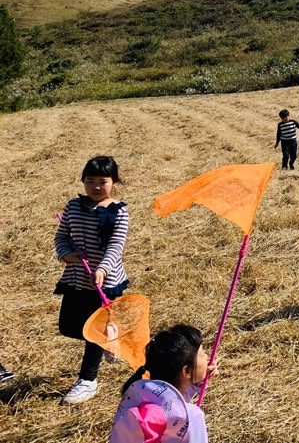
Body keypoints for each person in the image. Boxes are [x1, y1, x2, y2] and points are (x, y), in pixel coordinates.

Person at [54, 155, 131, 405]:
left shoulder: (119, 212)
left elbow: (116, 246)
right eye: (90, 180)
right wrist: (65, 254)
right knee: (67, 326)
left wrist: (103, 269)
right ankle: (109, 338)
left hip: (104, 283)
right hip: (77, 276)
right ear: (83, 181)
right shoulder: (73, 206)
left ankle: (88, 380)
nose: (96, 186)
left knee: (93, 331)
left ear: (114, 182)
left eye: (103, 181)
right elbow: (61, 236)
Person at [109, 324, 216, 443]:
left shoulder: (137, 400)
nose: (208, 355)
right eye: (201, 354)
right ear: (186, 371)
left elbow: (171, 405)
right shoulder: (193, 416)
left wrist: (196, 381)